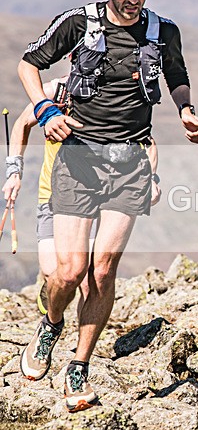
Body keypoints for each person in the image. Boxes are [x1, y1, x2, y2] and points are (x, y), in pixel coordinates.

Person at [16, 0, 198, 413]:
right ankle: (50, 322)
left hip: (131, 158)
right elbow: (28, 64)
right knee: (69, 271)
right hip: (78, 158)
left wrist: (186, 110)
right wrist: (43, 108)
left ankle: (79, 364)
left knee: (103, 270)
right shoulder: (77, 24)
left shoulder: (164, 32)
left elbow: (176, 76)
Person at [2, 76, 162, 316]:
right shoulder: (56, 92)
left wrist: (150, 178)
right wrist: (14, 172)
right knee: (54, 271)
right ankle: (54, 304)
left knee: (87, 278)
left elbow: (146, 141)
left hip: (97, 195)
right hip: (53, 194)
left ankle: (80, 343)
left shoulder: (115, 95)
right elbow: (21, 125)